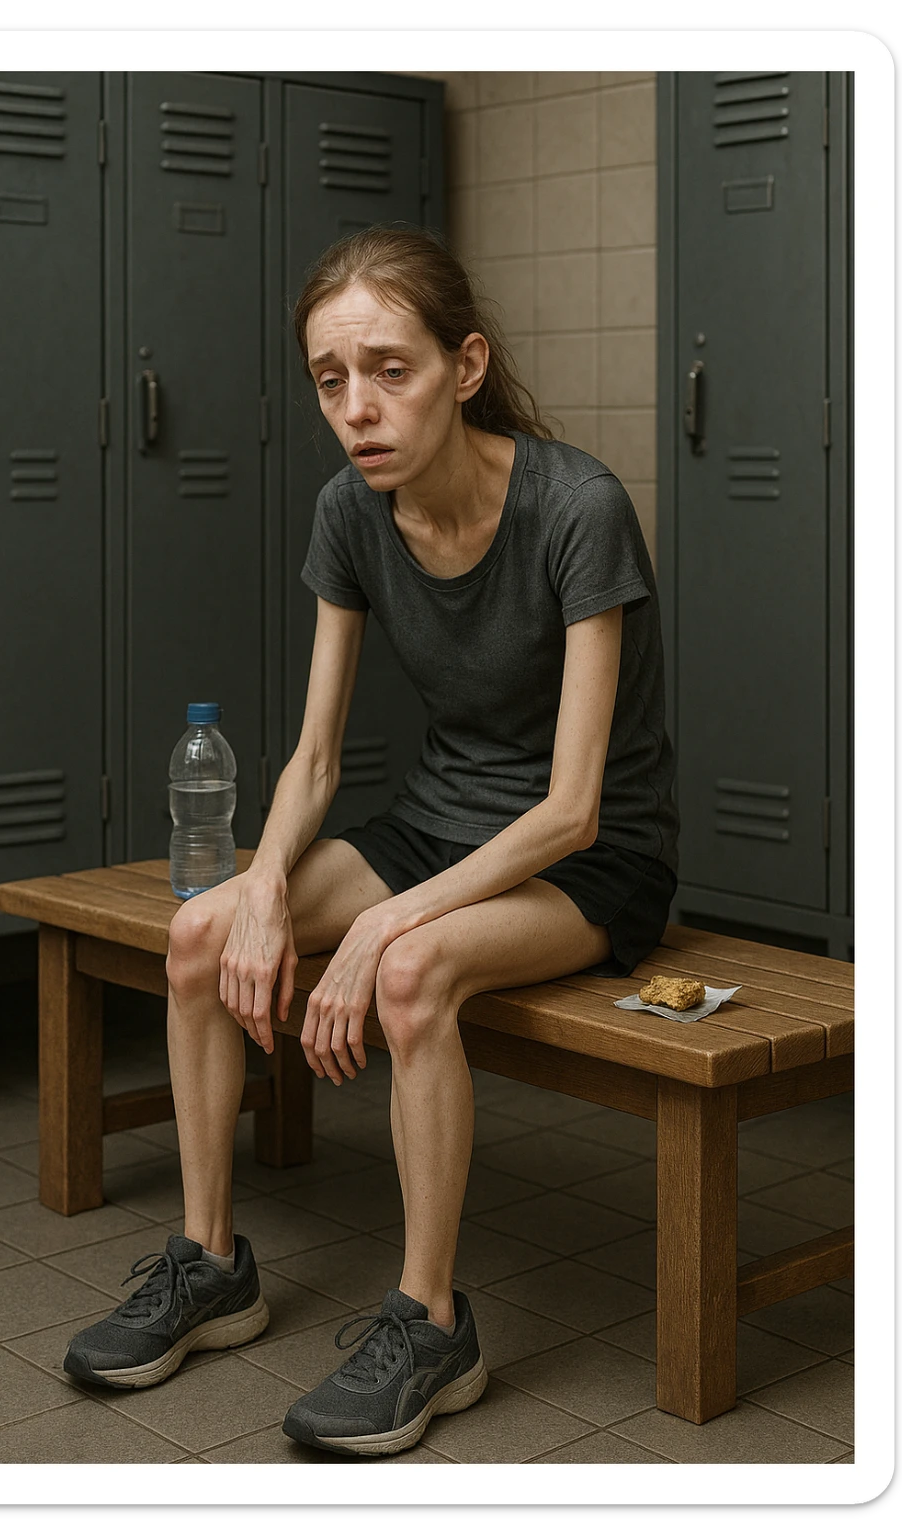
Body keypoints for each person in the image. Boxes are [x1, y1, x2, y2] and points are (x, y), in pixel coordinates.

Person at [62, 223, 679, 1458]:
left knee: (405, 973)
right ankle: (209, 1261)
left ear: (464, 365)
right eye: (331, 379)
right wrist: (265, 891)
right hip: (433, 825)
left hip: (584, 865)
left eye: (390, 370)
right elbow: (316, 758)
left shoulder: (577, 506)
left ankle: (432, 1320)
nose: (358, 408)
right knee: (199, 933)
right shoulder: (350, 510)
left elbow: (572, 809)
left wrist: (393, 919)